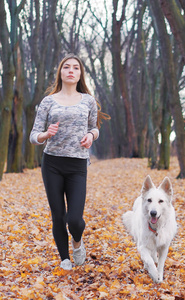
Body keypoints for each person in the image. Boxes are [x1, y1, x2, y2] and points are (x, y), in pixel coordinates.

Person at [30, 53, 109, 270]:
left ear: (80, 73)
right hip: (52, 163)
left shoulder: (88, 101)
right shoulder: (48, 101)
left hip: (77, 165)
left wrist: (91, 136)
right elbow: (34, 135)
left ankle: (77, 242)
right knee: (58, 214)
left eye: (76, 67)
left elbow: (95, 127)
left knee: (74, 219)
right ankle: (65, 258)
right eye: (66, 67)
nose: (71, 70)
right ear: (61, 72)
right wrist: (46, 135)